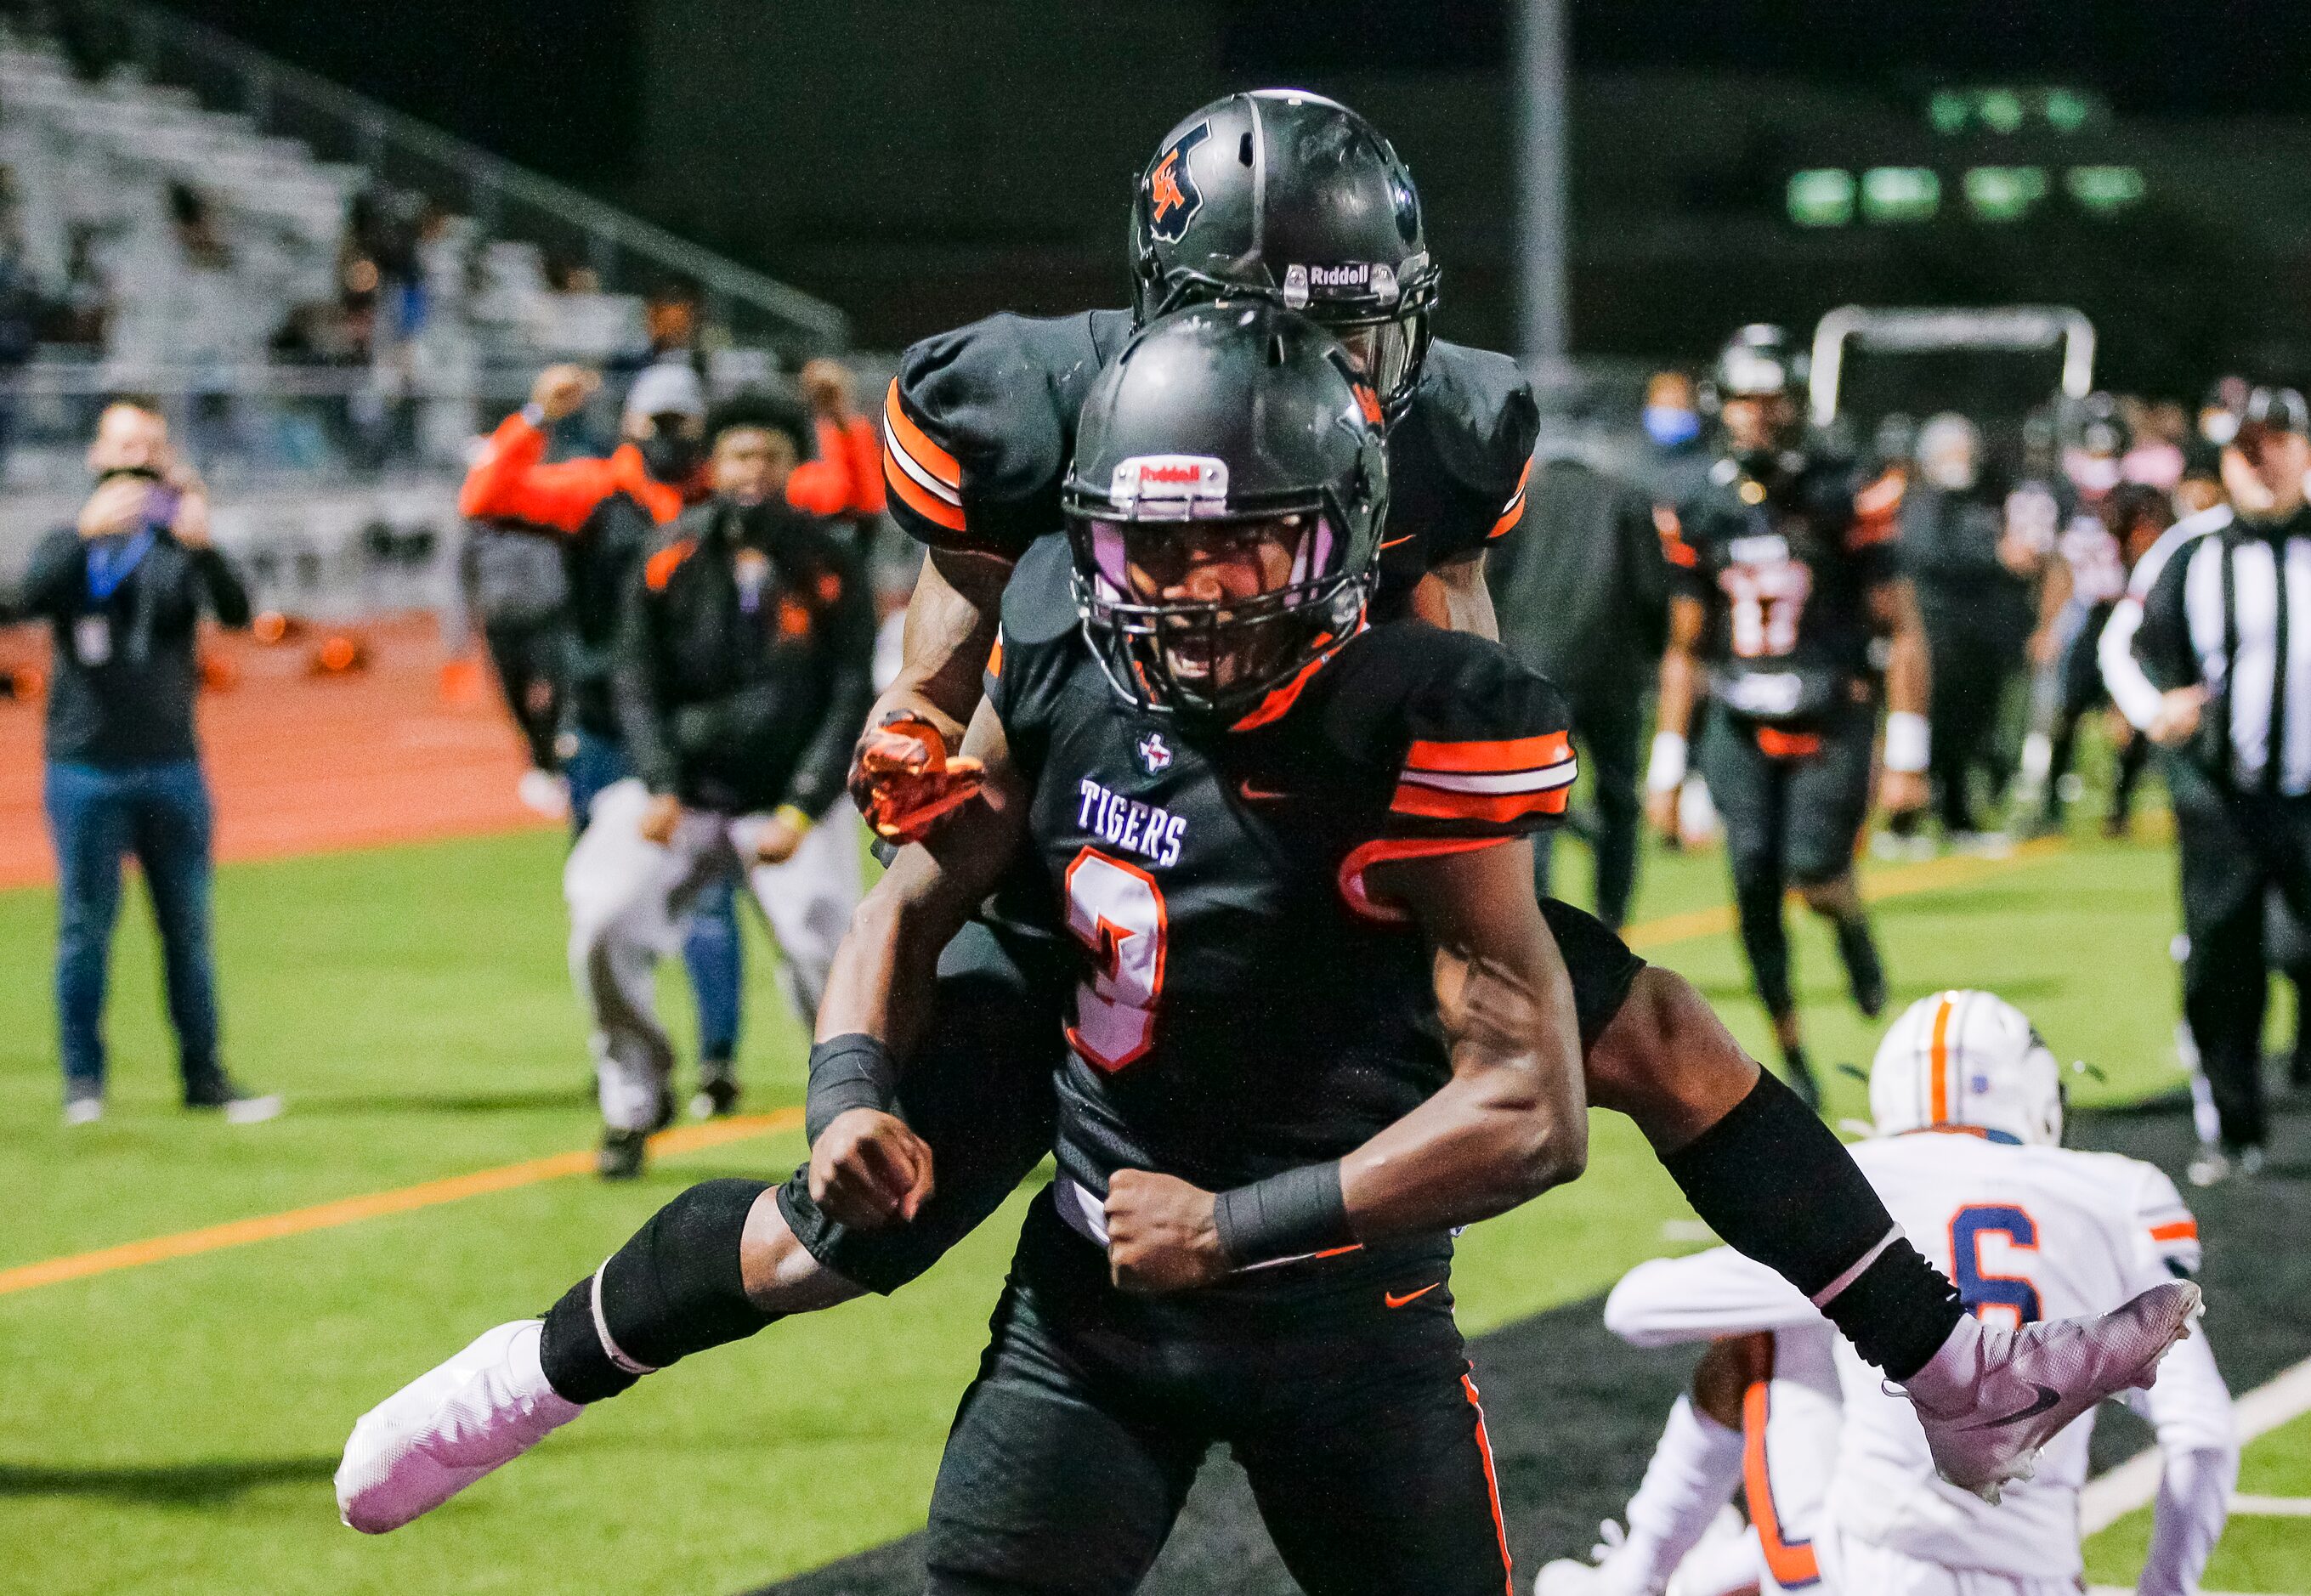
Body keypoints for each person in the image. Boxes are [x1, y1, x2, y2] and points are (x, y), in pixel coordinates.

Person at [337, 307, 2200, 1558]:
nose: (1200, 591)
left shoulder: (1424, 494)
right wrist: (920, 763)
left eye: (1359, 293)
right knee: (834, 1229)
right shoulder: (1052, 470)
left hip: (1338, 905)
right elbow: (946, 703)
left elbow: (1455, 667)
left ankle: (1947, 1362)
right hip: (1100, 926)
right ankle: (544, 1365)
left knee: (1652, 1038)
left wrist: (1405, 817)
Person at [1540, 990, 2230, 1596]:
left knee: (1770, 1326)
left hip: (1863, 1573)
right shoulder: (2115, 1193)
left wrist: (1819, 1287)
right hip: (2039, 1578)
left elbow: (1636, 1309)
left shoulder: (1861, 1177)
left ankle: (1640, 1579)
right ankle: (1703, 1573)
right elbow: (2201, 1438)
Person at [567, 393, 875, 1176]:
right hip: (685, 792)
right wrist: (662, 784)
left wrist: (804, 805)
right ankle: (633, 1101)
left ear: (792, 467)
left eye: (771, 456)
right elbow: (634, 678)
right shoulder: (669, 554)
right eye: (740, 455)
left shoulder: (829, 561)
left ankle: (846, 1116)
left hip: (786, 800)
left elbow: (849, 691)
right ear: (715, 465)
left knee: (821, 942)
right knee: (602, 915)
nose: (754, 471)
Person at [1647, 325, 1932, 1104]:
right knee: (1750, 883)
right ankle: (1790, 1051)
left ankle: (1848, 922)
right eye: (1743, 400)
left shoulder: (1846, 490)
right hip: (1738, 720)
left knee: (1812, 871)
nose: (1757, 416)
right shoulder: (1698, 500)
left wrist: (1908, 756)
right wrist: (1666, 770)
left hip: (1830, 713)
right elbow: (1686, 647)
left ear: (1797, 405)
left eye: (1771, 400)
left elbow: (1900, 627)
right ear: (1722, 405)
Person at [18, 397, 278, 1124]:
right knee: (84, 930)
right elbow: (22, 602)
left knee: (188, 931)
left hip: (171, 762)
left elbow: (235, 613)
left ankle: (205, 1078)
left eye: (152, 450)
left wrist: (204, 545)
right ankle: (83, 1087)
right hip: (86, 765)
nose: (139, 464)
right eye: (125, 449)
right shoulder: (67, 540)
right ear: (97, 458)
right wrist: (81, 535)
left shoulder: (174, 548)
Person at [2102, 386, 2311, 1186]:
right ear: (2225, 461)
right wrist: (2153, 706)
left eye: (2277, 445)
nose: (2261, 463)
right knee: (2220, 968)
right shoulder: (2188, 550)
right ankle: (2233, 1129)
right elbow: (2121, 643)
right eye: (2244, 449)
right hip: (2220, 800)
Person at [1487, 439, 1670, 928]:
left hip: (1531, 670)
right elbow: (1654, 590)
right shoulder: (1626, 496)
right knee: (1618, 799)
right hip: (1615, 674)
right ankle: (1613, 919)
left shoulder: (1520, 496)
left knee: (1537, 798)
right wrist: (1650, 655)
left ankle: (1538, 914)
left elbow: (1490, 580)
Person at [1901, 412, 2034, 844]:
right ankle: (1916, 818)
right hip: (1937, 630)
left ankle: (1957, 813)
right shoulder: (1923, 502)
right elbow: (1927, 554)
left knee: (1971, 724)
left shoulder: (1982, 500)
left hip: (1977, 634)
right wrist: (1995, 557)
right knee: (1936, 725)